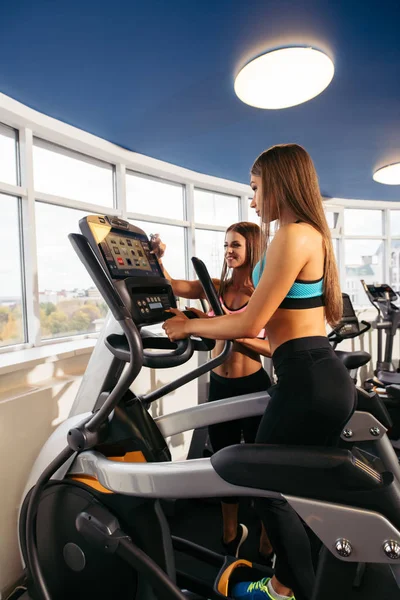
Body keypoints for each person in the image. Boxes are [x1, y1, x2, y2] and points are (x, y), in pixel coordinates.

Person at [162, 144, 356, 600]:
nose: (253, 200)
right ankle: (296, 581)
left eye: (255, 188)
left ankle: (286, 589)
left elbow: (249, 320)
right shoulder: (306, 235)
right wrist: (204, 322)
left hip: (307, 378)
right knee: (292, 490)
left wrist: (191, 324)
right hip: (307, 370)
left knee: (266, 484)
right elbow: (269, 338)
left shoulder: (294, 234)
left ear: (279, 181)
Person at [151, 222, 273, 559]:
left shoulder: (262, 294)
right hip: (218, 385)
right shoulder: (215, 287)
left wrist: (232, 330)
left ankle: (267, 536)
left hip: (253, 388)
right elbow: (173, 285)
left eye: (236, 245)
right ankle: (230, 534)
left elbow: (273, 349)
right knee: (222, 461)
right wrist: (159, 258)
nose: (229, 251)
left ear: (252, 248)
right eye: (225, 245)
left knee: (263, 464)